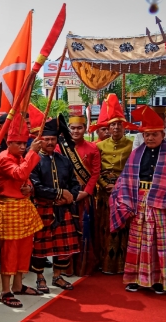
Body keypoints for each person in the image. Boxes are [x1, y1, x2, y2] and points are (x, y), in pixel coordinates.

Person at [110, 106, 166, 294]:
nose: (150, 138)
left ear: (163, 134)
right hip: (139, 202)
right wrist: (124, 199)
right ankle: (135, 279)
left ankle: (160, 280)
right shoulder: (136, 154)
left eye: (154, 134)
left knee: (161, 243)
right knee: (137, 241)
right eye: (147, 135)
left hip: (163, 205)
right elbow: (126, 177)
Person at [0, 115, 44, 308]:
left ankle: (18, 285)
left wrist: (29, 188)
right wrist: (32, 152)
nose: (23, 146)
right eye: (17, 143)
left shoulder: (18, 156)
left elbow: (25, 178)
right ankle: (5, 291)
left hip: (22, 205)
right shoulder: (3, 158)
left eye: (24, 143)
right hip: (9, 207)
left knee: (25, 248)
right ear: (9, 142)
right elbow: (20, 173)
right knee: (10, 250)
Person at [30, 116, 81, 292]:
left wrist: (70, 196)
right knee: (40, 246)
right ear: (40, 140)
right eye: (46, 139)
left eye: (53, 139)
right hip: (43, 208)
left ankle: (57, 276)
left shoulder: (64, 160)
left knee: (63, 247)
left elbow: (75, 184)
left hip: (63, 209)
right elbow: (36, 186)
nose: (50, 142)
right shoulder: (33, 160)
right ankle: (40, 278)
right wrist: (59, 193)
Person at [94, 94, 133, 275]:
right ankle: (104, 263)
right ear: (108, 127)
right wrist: (104, 184)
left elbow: (132, 170)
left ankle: (121, 265)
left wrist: (117, 186)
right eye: (112, 124)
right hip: (104, 192)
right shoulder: (100, 146)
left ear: (124, 126)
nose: (116, 127)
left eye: (119, 124)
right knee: (104, 227)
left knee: (121, 229)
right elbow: (95, 170)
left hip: (123, 192)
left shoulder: (132, 146)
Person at [64, 113, 101, 277]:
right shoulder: (61, 148)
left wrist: (86, 192)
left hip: (85, 197)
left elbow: (95, 174)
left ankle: (84, 266)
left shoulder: (93, 148)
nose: (76, 131)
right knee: (67, 231)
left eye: (79, 128)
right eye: (72, 128)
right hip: (67, 196)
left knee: (85, 230)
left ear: (85, 129)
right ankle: (65, 267)